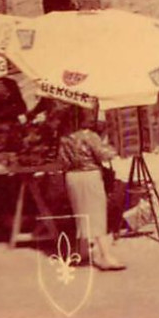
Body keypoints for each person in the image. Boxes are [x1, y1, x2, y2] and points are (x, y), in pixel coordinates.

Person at [56, 107, 126, 271]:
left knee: (81, 215)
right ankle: (105, 256)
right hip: (90, 176)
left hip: (72, 177)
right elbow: (104, 155)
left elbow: (63, 162)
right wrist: (110, 144)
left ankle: (81, 252)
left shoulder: (64, 138)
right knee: (97, 216)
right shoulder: (90, 136)